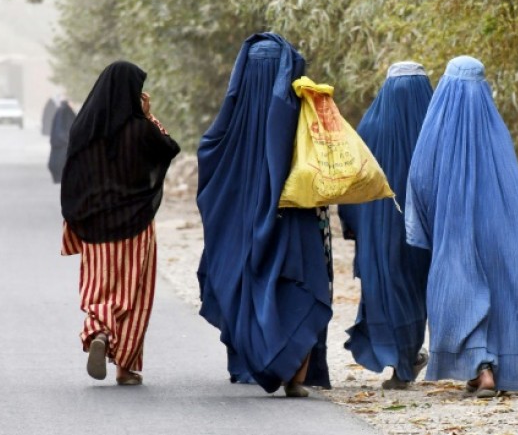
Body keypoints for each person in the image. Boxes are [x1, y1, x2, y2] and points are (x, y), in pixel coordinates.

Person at [404, 56, 518, 397]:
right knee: (498, 291)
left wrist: (430, 222)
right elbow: (514, 189)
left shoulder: (437, 125)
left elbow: (420, 178)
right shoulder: (493, 126)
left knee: (460, 291)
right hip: (501, 231)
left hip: (455, 230)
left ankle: (481, 367)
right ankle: (492, 369)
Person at [196, 33, 332, 398]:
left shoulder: (233, 118)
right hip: (293, 212)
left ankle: (248, 362)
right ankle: (296, 372)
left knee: (243, 275)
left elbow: (209, 149)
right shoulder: (299, 107)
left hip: (240, 213)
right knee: (298, 280)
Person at [59, 60, 180, 386]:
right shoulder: (140, 129)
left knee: (101, 285)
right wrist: (147, 116)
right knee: (135, 293)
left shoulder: (84, 129)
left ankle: (98, 330)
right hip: (135, 225)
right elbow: (168, 147)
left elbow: (72, 175)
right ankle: (126, 367)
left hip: (95, 225)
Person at [338, 61, 433, 390]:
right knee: (415, 292)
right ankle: (406, 361)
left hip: (380, 230)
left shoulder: (370, 126)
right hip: (426, 229)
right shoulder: (437, 125)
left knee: (388, 288)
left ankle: (402, 362)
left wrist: (351, 225)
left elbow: (350, 181)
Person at [48, 99, 76, 183]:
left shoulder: (62, 111)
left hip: (60, 144)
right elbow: (60, 129)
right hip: (62, 145)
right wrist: (66, 139)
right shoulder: (65, 112)